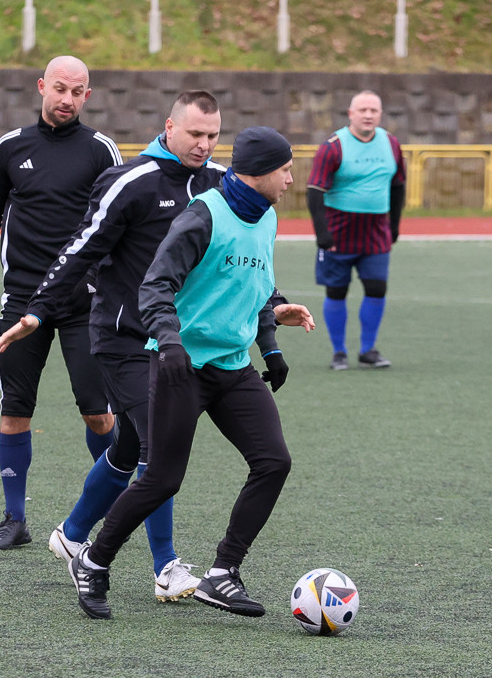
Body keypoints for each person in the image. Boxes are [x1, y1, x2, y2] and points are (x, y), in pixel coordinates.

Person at [67, 126, 316, 620]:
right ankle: (94, 562)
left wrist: (270, 347)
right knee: (161, 478)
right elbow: (156, 285)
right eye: (285, 169)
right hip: (180, 366)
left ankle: (223, 573)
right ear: (262, 171)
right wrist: (172, 342)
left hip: (231, 367)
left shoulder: (266, 217)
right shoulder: (202, 215)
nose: (291, 179)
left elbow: (258, 287)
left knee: (273, 462)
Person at [0, 91, 225, 602]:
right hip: (122, 335)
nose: (205, 145)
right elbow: (81, 248)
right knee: (158, 447)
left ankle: (71, 534)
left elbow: (236, 255)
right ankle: (165, 568)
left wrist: (273, 305)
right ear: (169, 127)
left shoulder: (218, 184)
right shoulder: (132, 180)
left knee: (129, 445)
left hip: (174, 340)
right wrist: (37, 310)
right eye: (195, 134)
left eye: (212, 136)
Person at [0, 55, 121, 550]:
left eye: (77, 91)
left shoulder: (101, 150)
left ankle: (117, 506)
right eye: (59, 88)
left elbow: (120, 222)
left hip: (82, 302)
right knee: (15, 411)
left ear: (87, 96)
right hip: (21, 299)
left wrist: (104, 285)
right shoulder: (11, 147)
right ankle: (14, 519)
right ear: (41, 88)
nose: (67, 99)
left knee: (98, 414)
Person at [307, 90, 406, 370]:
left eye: (373, 110)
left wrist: (395, 226)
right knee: (336, 292)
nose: (368, 115)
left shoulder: (391, 144)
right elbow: (314, 191)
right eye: (362, 110)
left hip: (376, 233)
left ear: (380, 114)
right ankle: (339, 352)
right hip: (338, 232)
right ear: (351, 114)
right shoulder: (333, 146)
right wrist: (322, 234)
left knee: (377, 289)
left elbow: (398, 186)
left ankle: (368, 350)